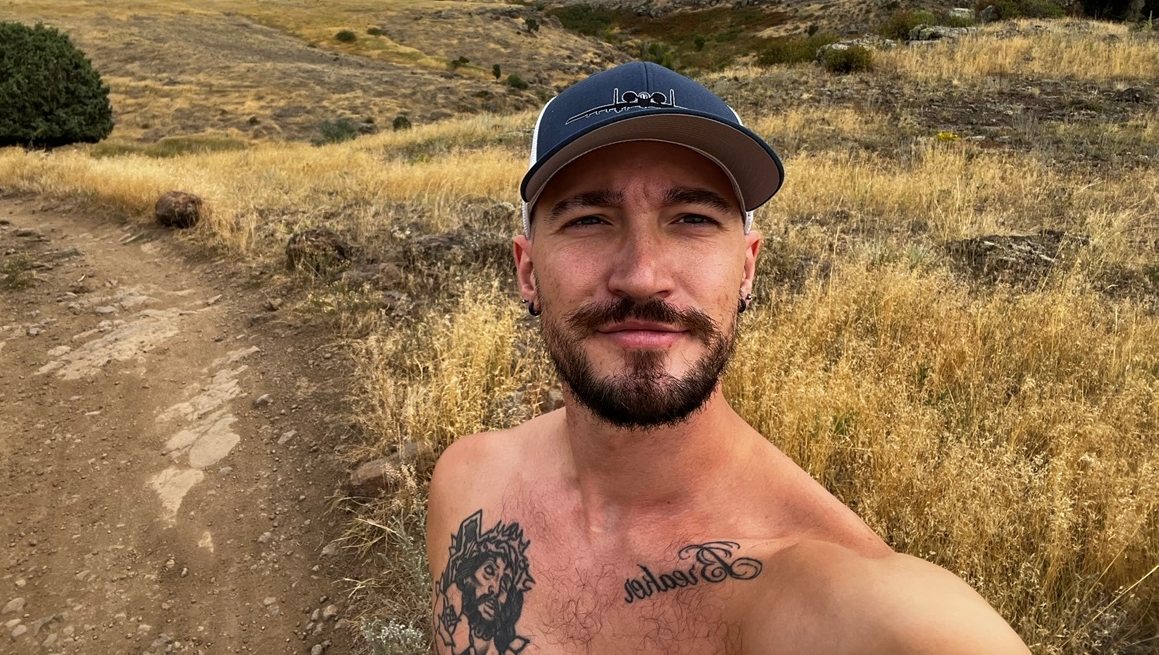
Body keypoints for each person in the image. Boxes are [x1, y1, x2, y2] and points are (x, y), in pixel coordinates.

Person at [427, 61, 1029, 654]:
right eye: (589, 219)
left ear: (747, 267)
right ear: (527, 272)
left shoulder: (859, 602)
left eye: (692, 219)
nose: (642, 276)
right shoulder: (469, 489)